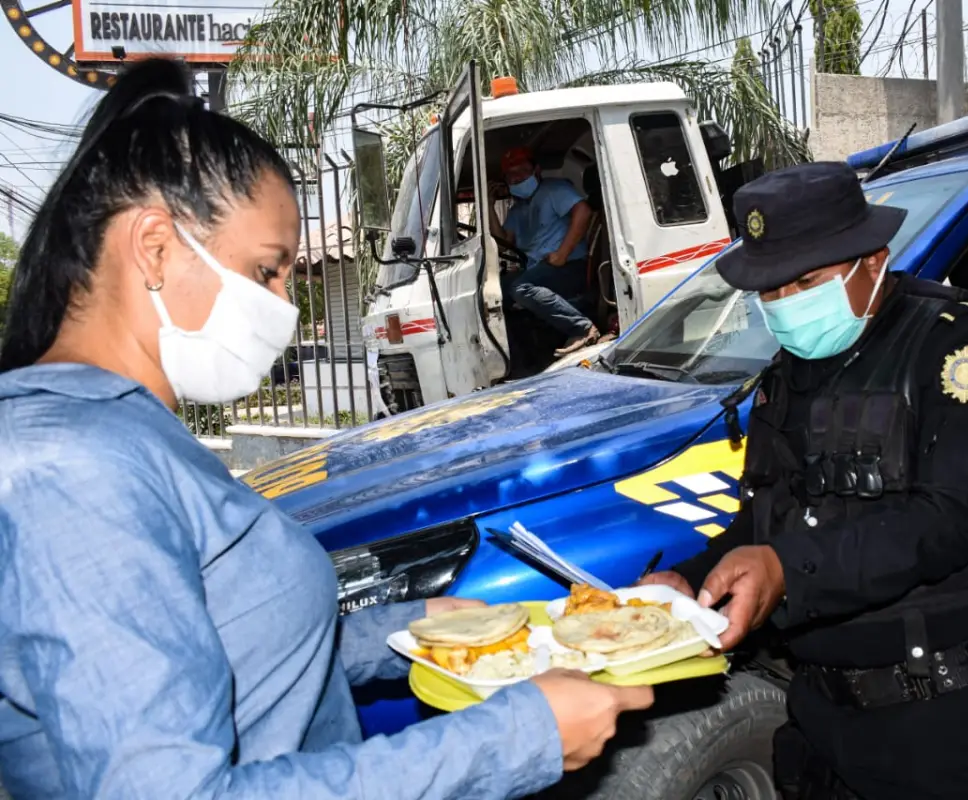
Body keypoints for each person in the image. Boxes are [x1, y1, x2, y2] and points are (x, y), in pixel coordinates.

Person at [0, 58, 652, 799]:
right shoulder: (71, 469)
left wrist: (411, 631)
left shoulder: (124, 435)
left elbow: (228, 653)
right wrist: (515, 738)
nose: (287, 309)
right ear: (154, 248)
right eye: (267, 272)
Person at [641, 162, 968, 799]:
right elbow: (765, 519)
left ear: (873, 260)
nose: (785, 307)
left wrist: (786, 569)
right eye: (768, 291)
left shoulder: (960, 350)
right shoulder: (794, 371)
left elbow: (945, 521)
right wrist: (694, 584)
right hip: (819, 710)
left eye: (804, 282)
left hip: (942, 719)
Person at [488, 147, 600, 357]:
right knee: (493, 292)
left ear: (537, 171)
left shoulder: (553, 190)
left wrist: (562, 254)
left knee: (522, 287)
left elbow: (583, 211)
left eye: (523, 170)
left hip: (570, 266)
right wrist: (489, 205)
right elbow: (502, 243)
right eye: (511, 175)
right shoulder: (518, 209)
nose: (517, 177)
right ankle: (521, 358)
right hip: (541, 269)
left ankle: (583, 329)